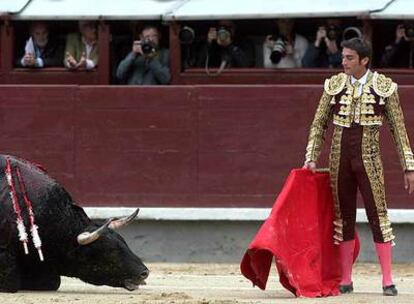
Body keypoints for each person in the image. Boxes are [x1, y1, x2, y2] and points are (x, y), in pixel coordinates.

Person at [303, 38, 414, 296]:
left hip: (370, 158)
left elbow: (399, 130)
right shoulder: (334, 85)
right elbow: (319, 123)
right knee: (343, 218)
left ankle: (387, 280)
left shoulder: (384, 87)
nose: (343, 62)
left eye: (349, 58)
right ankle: (345, 279)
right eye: (343, 57)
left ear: (364, 60)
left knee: (379, 216)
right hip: (338, 158)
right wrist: (311, 155)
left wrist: (409, 167)